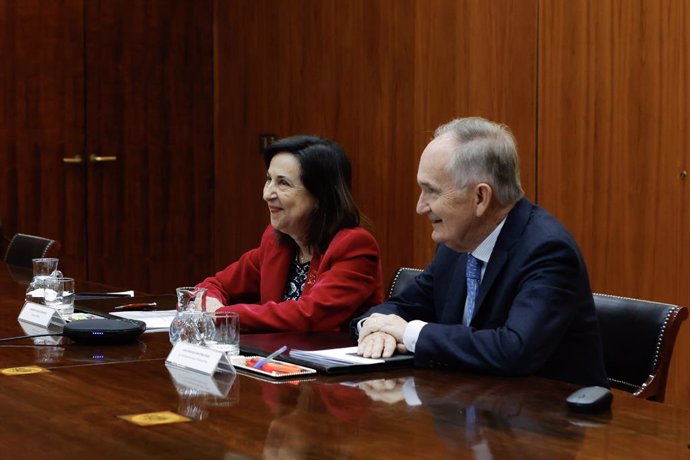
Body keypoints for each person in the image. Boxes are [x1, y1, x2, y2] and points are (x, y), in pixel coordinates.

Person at [354, 117, 608, 387]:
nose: (420, 207)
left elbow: (514, 350)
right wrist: (374, 330)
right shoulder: (455, 248)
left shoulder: (547, 251)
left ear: (480, 198)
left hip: (550, 417)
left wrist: (410, 333)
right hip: (474, 408)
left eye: (431, 191)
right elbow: (400, 309)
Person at [198, 135, 383, 332]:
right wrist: (207, 303)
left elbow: (308, 315)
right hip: (275, 358)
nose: (267, 194)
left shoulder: (355, 247)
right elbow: (214, 285)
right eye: (269, 179)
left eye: (283, 183)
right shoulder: (276, 241)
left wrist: (223, 316)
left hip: (326, 360)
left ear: (320, 195)